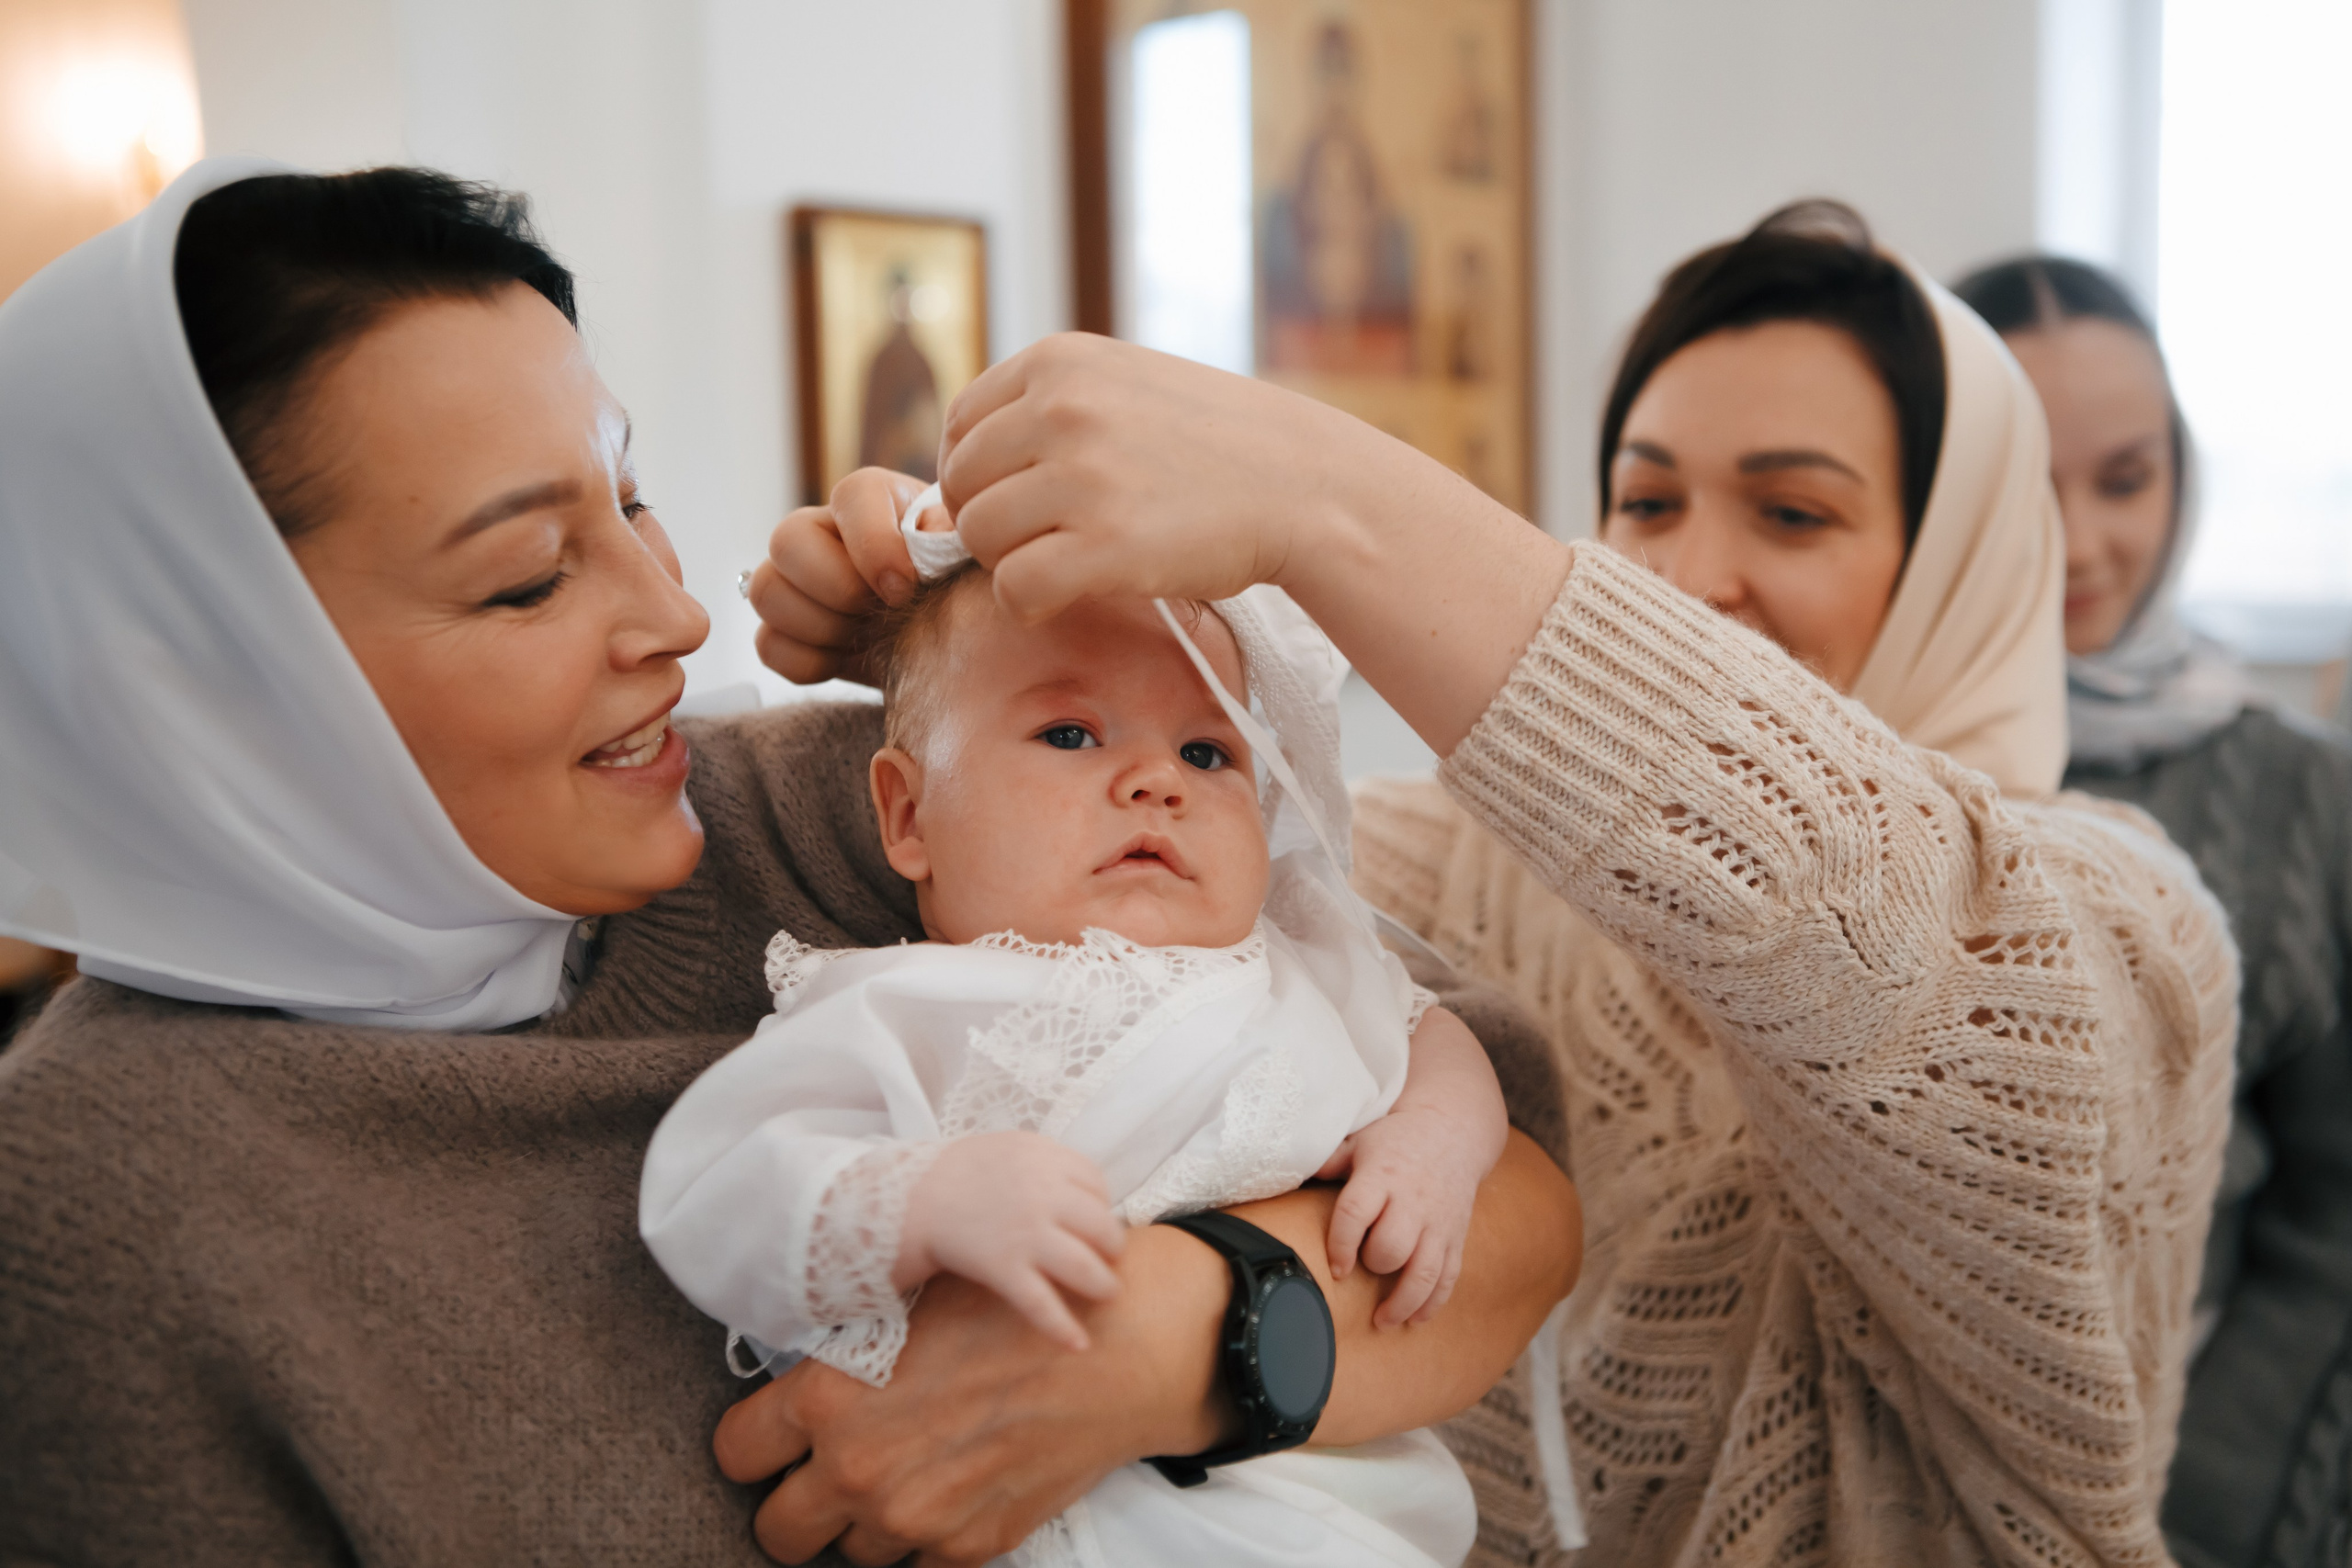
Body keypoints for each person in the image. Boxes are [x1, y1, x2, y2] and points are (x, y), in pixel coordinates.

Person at [0, 160, 1580, 1566]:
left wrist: (1162, 1349)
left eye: (629, 497)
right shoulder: (98, 1208)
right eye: (531, 577)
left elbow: (1515, 1199)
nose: (677, 620)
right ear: (201, 690)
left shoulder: (771, 806)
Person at [753, 202, 2241, 1565]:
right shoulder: (1455, 871)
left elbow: (1858, 915)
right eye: (1647, 503)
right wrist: (938, 662)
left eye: (1793, 514)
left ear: (1959, 563)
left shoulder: (2120, 931)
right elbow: (1072, 861)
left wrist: (1320, 498)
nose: (1687, 575)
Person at [642, 543, 1513, 1567]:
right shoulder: (905, 1003)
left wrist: (1432, 1144)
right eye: (1070, 733)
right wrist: (921, 1200)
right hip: (1022, 1511)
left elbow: (1431, 1033)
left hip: (1320, 1511)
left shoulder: (1302, 968)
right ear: (909, 814)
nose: (1155, 781)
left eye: (1207, 753)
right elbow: (717, 1177)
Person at [1956, 254, 2352, 1568]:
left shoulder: (2304, 790)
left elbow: (2336, 1214)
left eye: (2125, 478)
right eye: (2026, 491)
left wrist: (2199, 1508)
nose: (2085, 541)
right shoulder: (1874, 772)